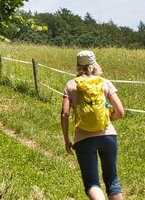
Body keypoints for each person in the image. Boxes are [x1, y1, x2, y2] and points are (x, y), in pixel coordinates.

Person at [60, 50, 125, 200]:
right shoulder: (104, 82)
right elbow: (120, 112)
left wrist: (66, 139)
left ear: (78, 65)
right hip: (108, 135)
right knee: (112, 180)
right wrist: (108, 118)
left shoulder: (71, 85)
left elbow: (64, 114)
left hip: (83, 139)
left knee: (92, 183)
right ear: (94, 64)